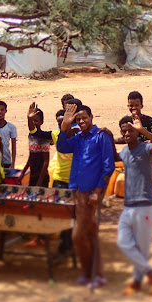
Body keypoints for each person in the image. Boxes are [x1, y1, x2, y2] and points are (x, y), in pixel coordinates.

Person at [56, 104, 115, 288]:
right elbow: (62, 147)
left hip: (90, 193)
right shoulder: (78, 138)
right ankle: (96, 274)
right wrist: (65, 126)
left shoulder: (101, 136)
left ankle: (89, 272)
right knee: (90, 233)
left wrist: (97, 192)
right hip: (77, 190)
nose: (81, 121)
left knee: (78, 235)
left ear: (91, 117)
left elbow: (108, 166)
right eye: (78, 119)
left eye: (84, 118)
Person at [109, 114, 152, 295]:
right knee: (123, 242)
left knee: (142, 248)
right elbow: (114, 157)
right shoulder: (125, 152)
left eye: (130, 131)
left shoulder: (146, 148)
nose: (126, 134)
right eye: (123, 131)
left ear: (136, 132)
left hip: (145, 205)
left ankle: (137, 282)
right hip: (128, 206)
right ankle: (151, 273)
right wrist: (108, 137)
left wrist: (143, 130)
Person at [17, 103, 51, 187]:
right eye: (32, 121)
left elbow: (46, 162)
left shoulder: (43, 137)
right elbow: (31, 156)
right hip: (33, 175)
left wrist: (39, 182)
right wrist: (23, 173)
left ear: (41, 122)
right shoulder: (31, 136)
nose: (33, 123)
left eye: (36, 120)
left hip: (42, 177)